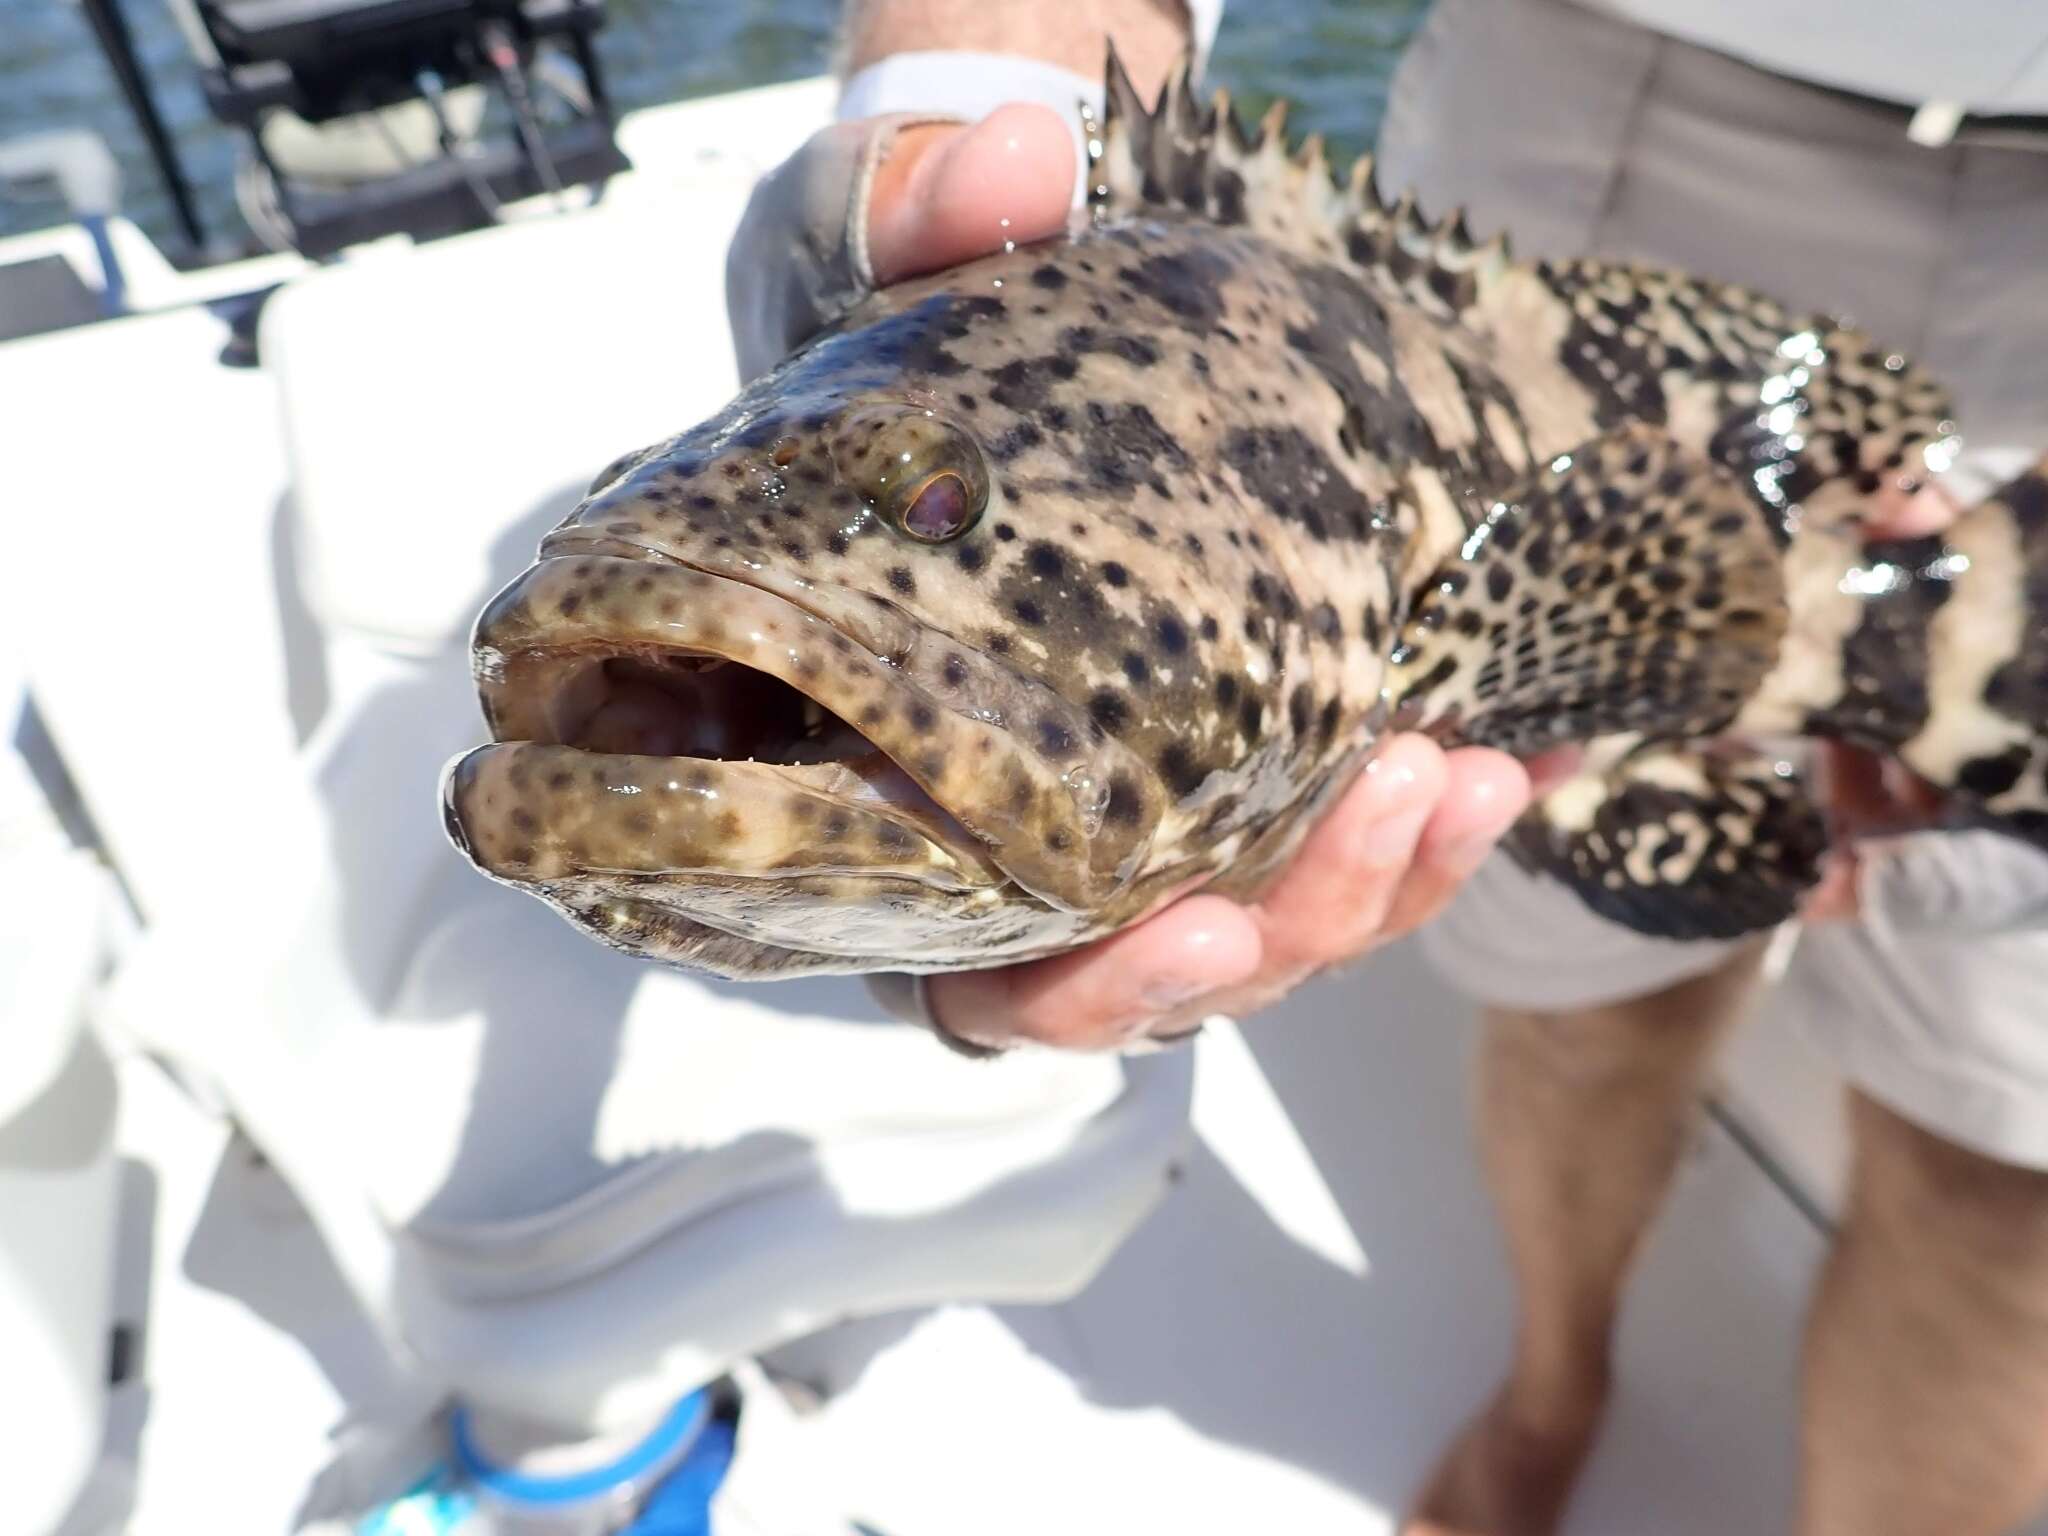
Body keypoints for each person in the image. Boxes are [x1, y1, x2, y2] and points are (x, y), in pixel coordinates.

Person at [726, 3, 2048, 1532]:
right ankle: (1556, 1385)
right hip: (1617, 106)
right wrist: (966, 120)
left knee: (2009, 1171)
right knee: (1573, 997)